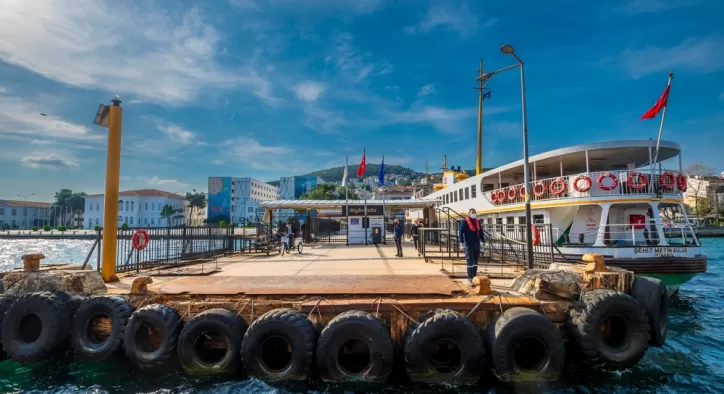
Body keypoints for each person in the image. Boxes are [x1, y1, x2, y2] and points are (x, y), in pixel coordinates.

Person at [459, 208, 485, 286]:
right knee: (470, 261)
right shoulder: (464, 222)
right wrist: (461, 242)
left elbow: (481, 232)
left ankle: (474, 277)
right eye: (472, 212)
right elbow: (461, 232)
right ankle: (470, 279)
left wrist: (483, 241)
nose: (474, 213)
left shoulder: (477, 222)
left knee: (475, 261)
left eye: (475, 212)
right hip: (469, 244)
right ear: (469, 214)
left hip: (477, 243)